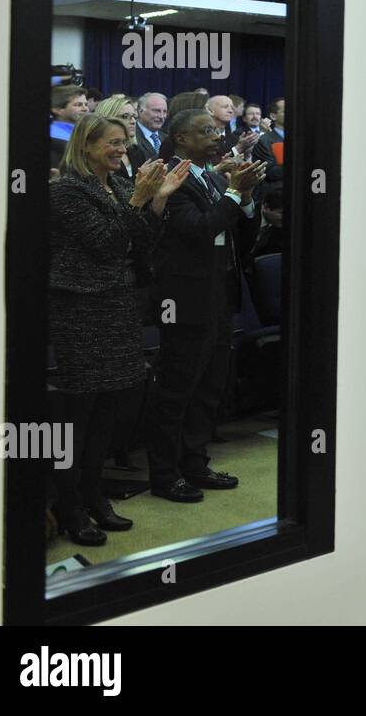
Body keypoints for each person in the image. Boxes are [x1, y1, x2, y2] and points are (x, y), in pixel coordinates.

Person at [48, 115, 191, 544]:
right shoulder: (65, 191)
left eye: (124, 143)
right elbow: (106, 242)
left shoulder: (124, 186)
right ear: (86, 146)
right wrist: (138, 203)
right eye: (112, 142)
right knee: (80, 415)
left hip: (120, 305)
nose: (121, 149)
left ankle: (95, 497)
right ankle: (69, 505)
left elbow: (142, 243)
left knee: (108, 414)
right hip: (81, 309)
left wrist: (158, 201)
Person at [145, 109, 265, 502]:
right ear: (180, 138)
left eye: (216, 130)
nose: (216, 136)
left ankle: (194, 464)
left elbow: (235, 233)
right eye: (205, 131)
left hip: (217, 296)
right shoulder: (171, 179)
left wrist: (244, 198)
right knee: (177, 391)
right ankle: (165, 475)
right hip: (183, 301)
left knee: (208, 389)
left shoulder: (209, 176)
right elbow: (200, 229)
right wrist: (232, 193)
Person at [92, 95, 140, 178]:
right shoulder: (99, 154)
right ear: (108, 118)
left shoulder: (137, 151)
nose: (133, 121)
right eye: (125, 116)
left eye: (134, 117)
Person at [49, 84, 89, 168]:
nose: (85, 109)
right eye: (78, 105)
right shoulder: (54, 137)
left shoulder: (82, 132)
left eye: (86, 104)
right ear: (57, 109)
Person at [132, 92, 168, 168]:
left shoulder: (167, 138)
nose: (162, 116)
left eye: (164, 111)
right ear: (140, 111)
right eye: (156, 111)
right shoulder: (131, 137)